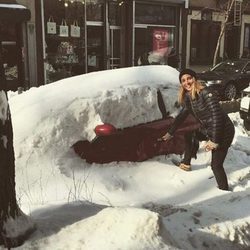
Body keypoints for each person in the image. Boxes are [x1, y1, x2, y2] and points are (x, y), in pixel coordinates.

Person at [161, 69, 235, 191]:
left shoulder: (206, 93)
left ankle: (224, 191)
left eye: (189, 78)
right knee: (190, 134)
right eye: (183, 80)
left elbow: (217, 117)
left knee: (216, 165)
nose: (187, 82)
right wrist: (170, 133)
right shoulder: (189, 97)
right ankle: (186, 163)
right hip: (210, 129)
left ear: (195, 79)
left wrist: (214, 141)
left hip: (223, 132)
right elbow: (181, 116)